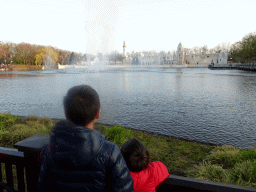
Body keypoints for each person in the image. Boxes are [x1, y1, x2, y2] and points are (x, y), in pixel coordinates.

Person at [38, 85, 134, 192]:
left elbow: (44, 187)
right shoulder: (111, 152)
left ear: (66, 115)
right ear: (98, 113)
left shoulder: (49, 150)